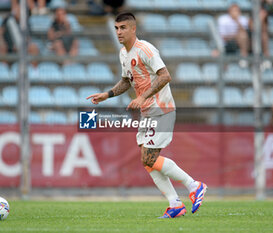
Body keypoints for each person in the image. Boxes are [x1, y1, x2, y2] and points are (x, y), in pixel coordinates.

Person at [87, 12, 207, 219]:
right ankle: (175, 204)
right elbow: (127, 80)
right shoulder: (123, 54)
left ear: (133, 29)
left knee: (149, 157)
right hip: (148, 112)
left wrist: (143, 97)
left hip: (161, 108)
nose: (118, 32)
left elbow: (165, 76)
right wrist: (107, 94)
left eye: (123, 28)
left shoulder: (146, 49)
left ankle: (194, 185)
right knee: (147, 161)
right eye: (116, 28)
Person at [218, 3, 250, 67]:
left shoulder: (243, 20)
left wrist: (237, 21)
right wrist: (236, 36)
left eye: (237, 11)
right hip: (228, 43)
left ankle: (244, 56)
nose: (235, 12)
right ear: (229, 11)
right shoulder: (223, 20)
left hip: (242, 42)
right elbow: (223, 37)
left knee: (243, 36)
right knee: (242, 36)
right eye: (233, 10)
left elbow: (246, 33)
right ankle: (244, 57)